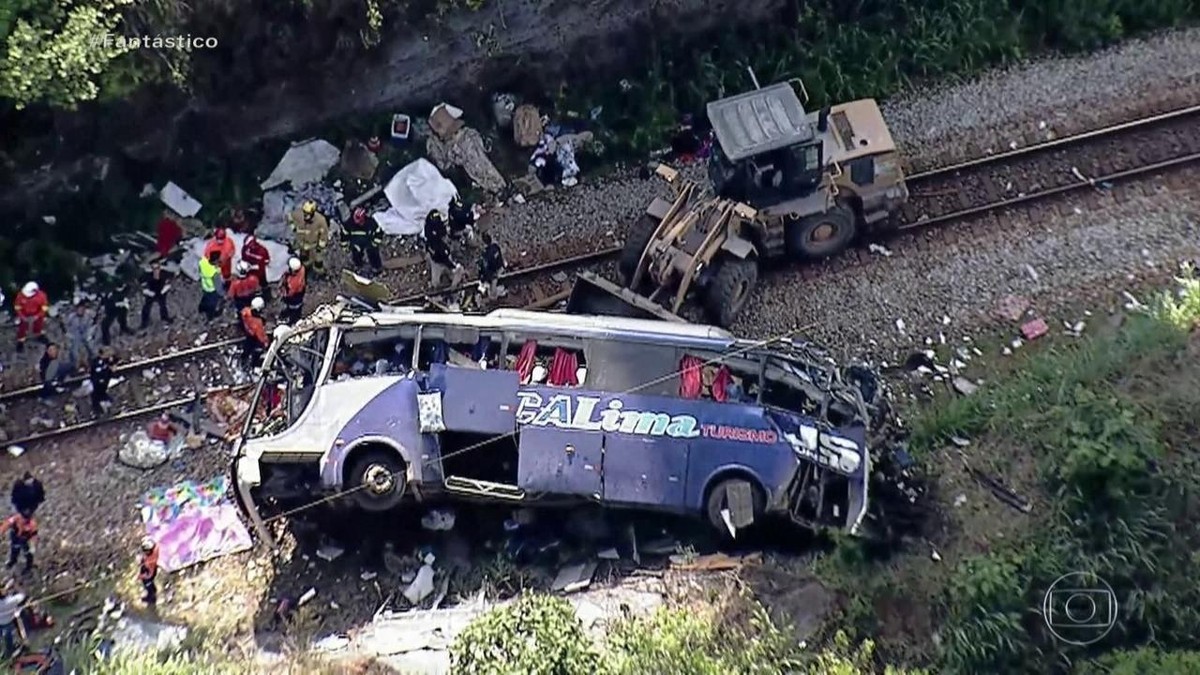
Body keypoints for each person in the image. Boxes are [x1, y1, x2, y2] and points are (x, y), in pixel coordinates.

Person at [289, 201, 329, 278]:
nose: (305, 216)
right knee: (304, 258)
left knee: (318, 261)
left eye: (308, 214)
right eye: (305, 213)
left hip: (314, 245)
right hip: (302, 243)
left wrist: (320, 246)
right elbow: (289, 217)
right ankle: (306, 270)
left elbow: (324, 234)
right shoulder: (298, 214)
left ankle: (320, 273)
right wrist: (293, 227)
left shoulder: (320, 220)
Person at [424, 211, 464, 289]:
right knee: (436, 284)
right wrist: (453, 266)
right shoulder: (442, 248)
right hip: (437, 262)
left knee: (437, 282)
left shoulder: (430, 237)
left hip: (436, 258)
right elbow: (447, 260)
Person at [342, 207, 384, 273]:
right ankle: (358, 266)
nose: (357, 222)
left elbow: (379, 233)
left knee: (373, 253)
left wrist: (374, 244)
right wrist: (346, 247)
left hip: (369, 242)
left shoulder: (371, 223)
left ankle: (377, 268)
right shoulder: (349, 224)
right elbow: (344, 236)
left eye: (359, 220)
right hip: (356, 243)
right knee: (356, 254)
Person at [13, 282, 49, 353]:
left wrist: (38, 315)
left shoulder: (42, 296)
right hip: (24, 314)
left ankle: (39, 335)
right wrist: (21, 316)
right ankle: (21, 341)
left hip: (37, 314)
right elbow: (17, 307)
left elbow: (44, 307)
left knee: (39, 325)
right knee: (22, 328)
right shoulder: (20, 296)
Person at [61, 299, 97, 369]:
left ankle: (90, 363)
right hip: (75, 337)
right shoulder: (71, 317)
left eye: (82, 309)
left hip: (86, 335)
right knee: (74, 350)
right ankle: (75, 366)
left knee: (91, 348)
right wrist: (69, 335)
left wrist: (90, 334)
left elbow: (92, 325)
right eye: (79, 309)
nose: (81, 310)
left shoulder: (88, 315)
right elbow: (66, 326)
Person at [98, 276, 134, 346]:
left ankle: (124, 328)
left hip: (121, 308)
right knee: (105, 325)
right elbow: (107, 301)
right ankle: (106, 341)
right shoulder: (110, 291)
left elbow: (127, 298)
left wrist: (125, 303)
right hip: (111, 310)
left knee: (122, 319)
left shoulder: (126, 289)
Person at [139, 261, 173, 329]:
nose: (156, 270)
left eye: (157, 268)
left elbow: (169, 282)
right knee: (146, 307)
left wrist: (164, 290)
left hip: (161, 292)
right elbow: (142, 285)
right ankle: (144, 323)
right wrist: (148, 292)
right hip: (151, 293)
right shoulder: (148, 276)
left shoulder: (164, 274)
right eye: (154, 268)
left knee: (163, 305)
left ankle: (165, 317)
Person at [241, 234, 272, 302]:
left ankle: (267, 296)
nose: (248, 247)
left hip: (260, 272)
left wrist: (258, 265)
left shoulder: (262, 251)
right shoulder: (245, 249)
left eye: (249, 245)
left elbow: (267, 261)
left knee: (263, 283)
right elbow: (243, 258)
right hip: (249, 271)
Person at [477, 231, 507, 301]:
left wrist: (483, 277)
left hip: (494, 275)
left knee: (491, 296)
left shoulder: (485, 255)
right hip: (501, 268)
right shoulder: (495, 246)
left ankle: (498, 293)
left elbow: (485, 270)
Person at [240, 297, 269, 366]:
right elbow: (261, 335)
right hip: (254, 336)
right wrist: (266, 342)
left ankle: (243, 357)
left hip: (248, 332)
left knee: (247, 346)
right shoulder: (258, 323)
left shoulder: (245, 311)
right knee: (257, 349)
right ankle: (254, 363)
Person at [0, 580, 25, 658]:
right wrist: (15, 585)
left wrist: (5, 589)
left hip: (2, 623)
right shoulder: (11, 601)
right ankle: (9, 654)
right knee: (8, 639)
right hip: (9, 622)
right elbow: (22, 595)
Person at [89, 346, 116, 416]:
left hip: (108, 381)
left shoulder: (111, 360)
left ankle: (110, 408)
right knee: (96, 395)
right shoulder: (96, 362)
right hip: (98, 384)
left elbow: (113, 369)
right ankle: (99, 411)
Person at [279, 257, 306, 324]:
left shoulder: (293, 282)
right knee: (297, 307)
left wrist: (285, 296)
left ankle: (293, 320)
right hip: (300, 291)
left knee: (294, 308)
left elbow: (290, 293)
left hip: (294, 296)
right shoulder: (302, 269)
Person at [198, 250, 223, 320]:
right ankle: (210, 316)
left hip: (204, 285)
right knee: (212, 304)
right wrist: (222, 294)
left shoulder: (203, 262)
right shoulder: (214, 272)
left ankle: (201, 309)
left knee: (205, 298)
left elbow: (200, 269)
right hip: (212, 290)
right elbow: (218, 286)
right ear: (215, 261)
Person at [138, 536, 160, 606]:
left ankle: (151, 598)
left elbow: (149, 574)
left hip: (149, 572)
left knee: (148, 584)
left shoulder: (150, 560)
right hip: (149, 569)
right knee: (150, 582)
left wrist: (141, 576)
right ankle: (153, 590)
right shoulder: (155, 549)